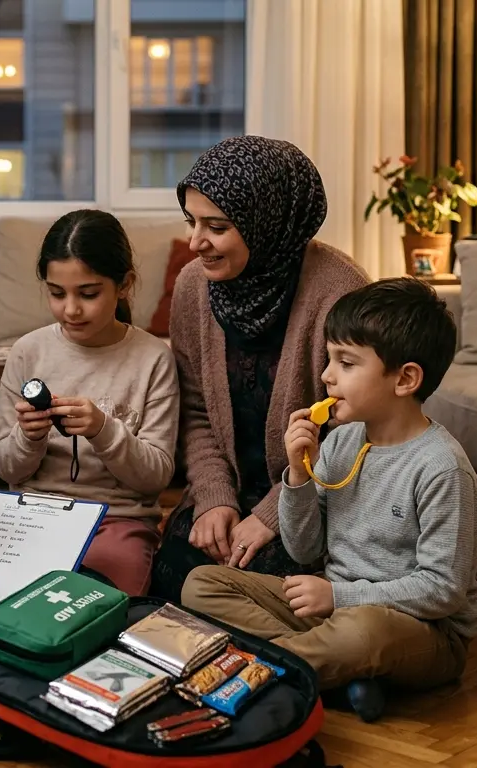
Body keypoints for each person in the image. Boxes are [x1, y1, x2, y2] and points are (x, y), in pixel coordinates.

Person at [182, 277, 477, 722]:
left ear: (404, 379)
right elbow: (303, 549)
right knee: (203, 585)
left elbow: (441, 591)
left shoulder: (441, 468)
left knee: (363, 633)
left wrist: (339, 597)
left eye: (345, 362)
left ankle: (254, 674)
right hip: (333, 614)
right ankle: (335, 675)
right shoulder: (341, 443)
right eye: (329, 358)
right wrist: (299, 475)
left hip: (420, 630)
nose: (326, 375)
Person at [149, 136, 370, 600]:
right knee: (175, 571)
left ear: (266, 222)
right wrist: (214, 500)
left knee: (269, 582)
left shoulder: (340, 291)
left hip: (313, 495)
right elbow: (194, 411)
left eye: (217, 226)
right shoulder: (193, 287)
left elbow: (354, 428)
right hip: (228, 491)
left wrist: (272, 514)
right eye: (191, 222)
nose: (195, 243)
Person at [0, 210, 178, 596]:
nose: (71, 310)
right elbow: (6, 467)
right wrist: (28, 437)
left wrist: (103, 429)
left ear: (124, 284)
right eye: (57, 293)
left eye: (88, 294)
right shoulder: (28, 352)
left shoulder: (153, 359)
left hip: (117, 519)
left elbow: (155, 477)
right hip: (31, 511)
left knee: (101, 604)